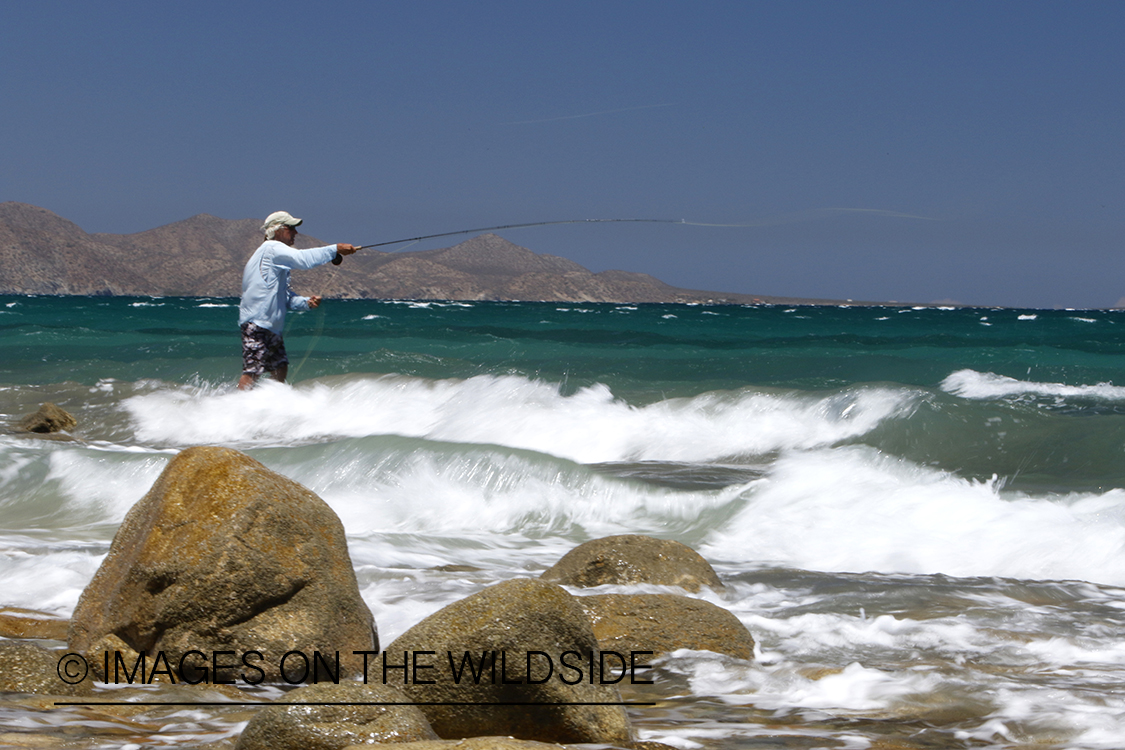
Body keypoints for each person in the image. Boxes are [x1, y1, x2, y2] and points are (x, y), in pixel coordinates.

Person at [237, 210, 358, 389]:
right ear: (276, 230)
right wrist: (335, 249)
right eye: (291, 228)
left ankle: (267, 405)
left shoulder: (276, 256)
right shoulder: (272, 248)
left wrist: (306, 303)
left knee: (280, 368)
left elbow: (284, 296)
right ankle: (237, 408)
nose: (296, 232)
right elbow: (302, 259)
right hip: (257, 323)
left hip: (270, 327)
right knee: (253, 371)